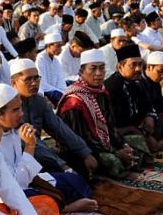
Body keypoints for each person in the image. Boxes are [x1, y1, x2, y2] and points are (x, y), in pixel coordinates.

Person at [0, 84, 95, 213]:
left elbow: (25, 174)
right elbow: (15, 185)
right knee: (34, 202)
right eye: (15, 110)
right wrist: (29, 146)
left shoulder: (14, 130)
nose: (21, 114)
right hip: (8, 193)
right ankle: (66, 208)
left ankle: (59, 204)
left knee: (75, 182)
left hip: (26, 180)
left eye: (20, 108)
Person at [58, 49, 147, 179]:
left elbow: (109, 126)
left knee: (136, 142)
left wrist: (123, 145)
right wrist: (115, 152)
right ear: (82, 71)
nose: (99, 74)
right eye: (93, 69)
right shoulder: (74, 101)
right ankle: (121, 173)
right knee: (111, 160)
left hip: (103, 142)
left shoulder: (101, 92)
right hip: (82, 149)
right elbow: (80, 138)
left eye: (101, 68)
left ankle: (127, 163)